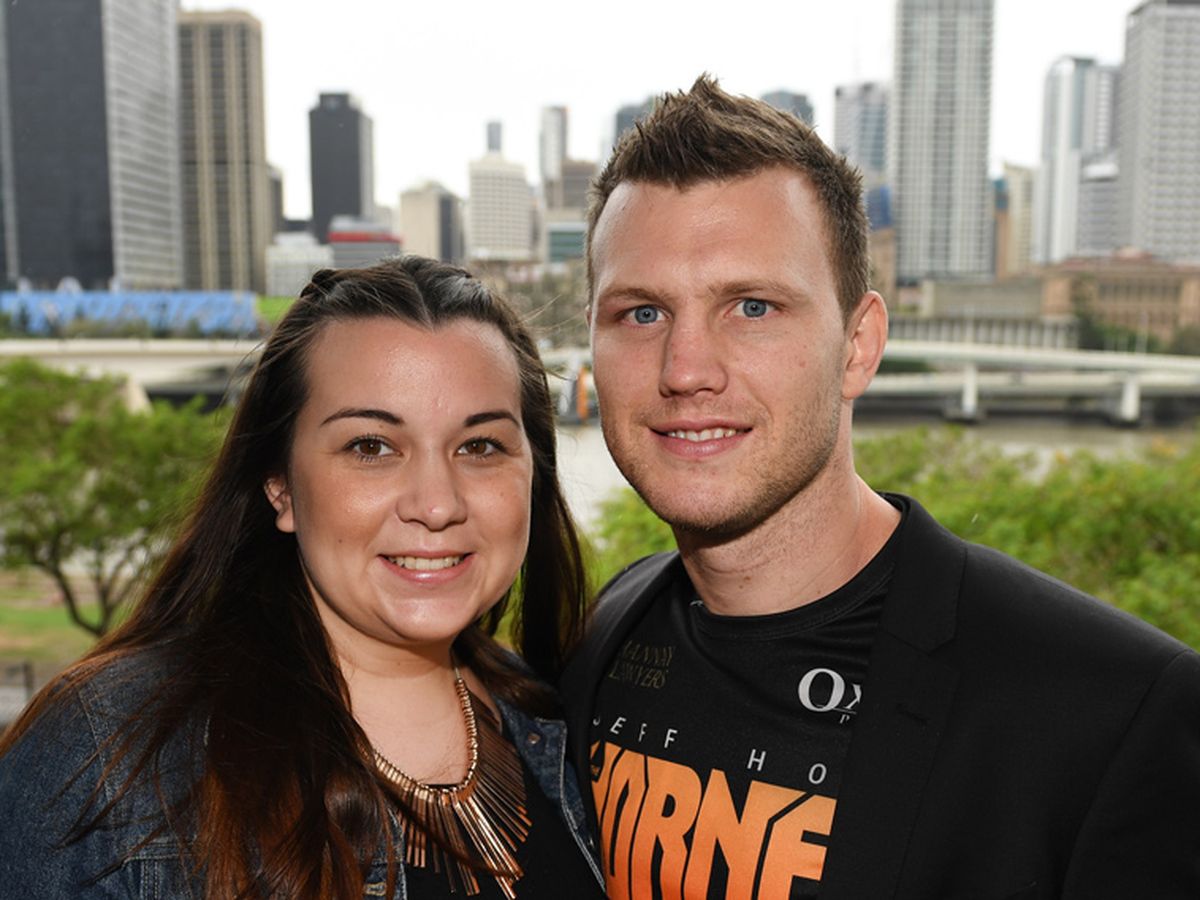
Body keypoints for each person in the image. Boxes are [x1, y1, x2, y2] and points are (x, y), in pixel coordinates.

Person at [560, 76, 1200, 899]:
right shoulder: (602, 633)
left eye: (752, 307)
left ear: (859, 346)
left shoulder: (1111, 714)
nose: (686, 370)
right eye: (641, 314)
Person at [0, 257, 605, 899]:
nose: (437, 504)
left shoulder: (554, 719)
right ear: (280, 487)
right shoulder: (107, 752)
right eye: (371, 446)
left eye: (479, 446)